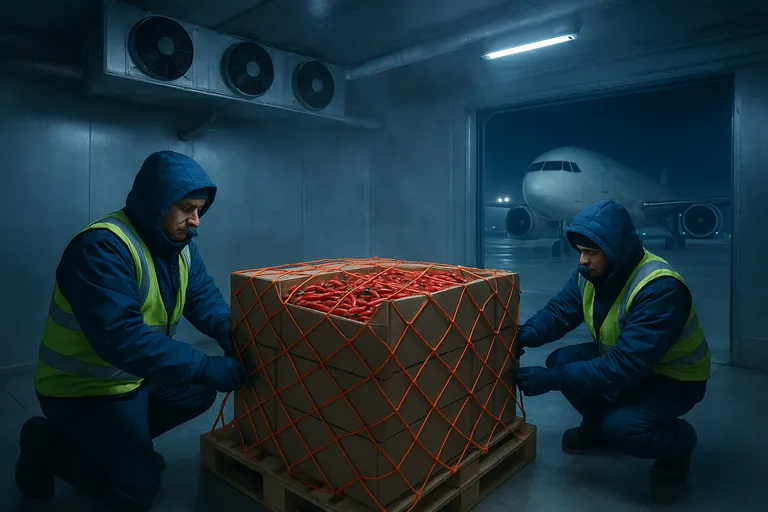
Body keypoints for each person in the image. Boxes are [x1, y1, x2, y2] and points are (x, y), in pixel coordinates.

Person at [15, 150, 253, 510]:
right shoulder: (102, 249)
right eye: (187, 208)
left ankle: (120, 448)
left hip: (133, 379)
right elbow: (120, 337)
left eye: (200, 210)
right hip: (84, 390)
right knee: (136, 489)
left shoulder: (179, 246)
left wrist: (225, 327)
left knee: (197, 392)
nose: (196, 221)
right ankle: (44, 443)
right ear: (157, 202)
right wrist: (204, 365)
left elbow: (201, 294)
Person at [513, 199, 710, 485]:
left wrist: (552, 380)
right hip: (630, 360)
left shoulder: (659, 288)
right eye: (581, 252)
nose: (582, 260)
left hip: (673, 378)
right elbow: (560, 312)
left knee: (624, 429)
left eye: (590, 252)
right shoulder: (592, 272)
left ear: (615, 250)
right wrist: (524, 335)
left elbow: (627, 366)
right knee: (562, 361)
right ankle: (596, 428)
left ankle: (679, 443)